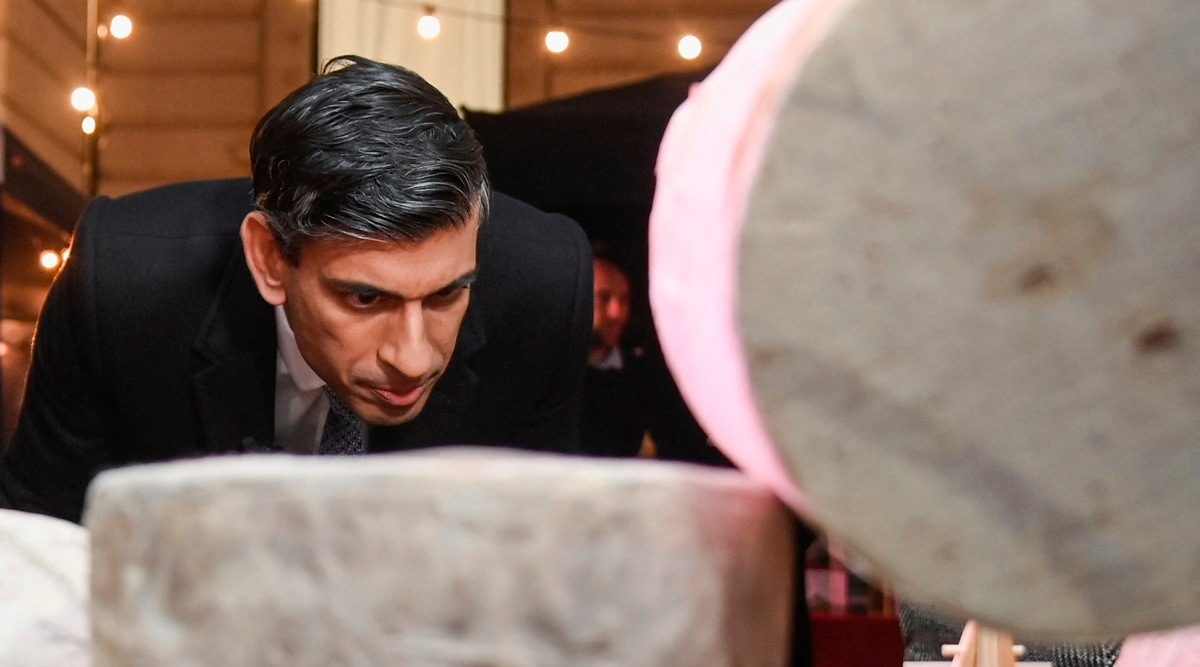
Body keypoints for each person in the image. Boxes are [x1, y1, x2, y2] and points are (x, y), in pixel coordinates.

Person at [0, 56, 592, 523]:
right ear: (270, 259)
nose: (413, 357)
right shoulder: (125, 281)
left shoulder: (543, 284)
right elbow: (43, 537)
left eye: (446, 295)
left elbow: (540, 557)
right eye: (364, 298)